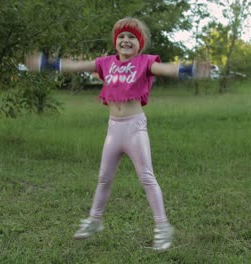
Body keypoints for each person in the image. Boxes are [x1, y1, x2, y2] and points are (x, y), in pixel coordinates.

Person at [25, 17, 210, 252]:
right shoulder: (105, 63)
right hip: (113, 129)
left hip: (134, 129)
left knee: (146, 177)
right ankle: (94, 220)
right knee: (104, 178)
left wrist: (188, 69)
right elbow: (76, 66)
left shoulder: (145, 62)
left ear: (140, 43)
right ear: (115, 41)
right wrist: (47, 64)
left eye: (132, 36)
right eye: (121, 36)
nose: (125, 40)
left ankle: (163, 228)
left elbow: (166, 69)